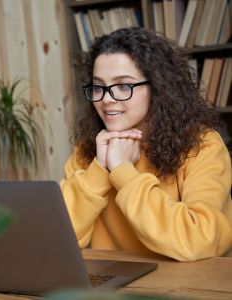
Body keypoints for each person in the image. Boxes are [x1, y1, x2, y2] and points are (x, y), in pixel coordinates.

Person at [60, 27, 232, 261]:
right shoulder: (87, 151)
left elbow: (198, 239)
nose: (107, 99)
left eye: (123, 86)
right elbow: (58, 237)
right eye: (98, 87)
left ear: (158, 88)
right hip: (113, 290)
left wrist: (122, 171)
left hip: (185, 288)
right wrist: (100, 169)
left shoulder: (202, 145)